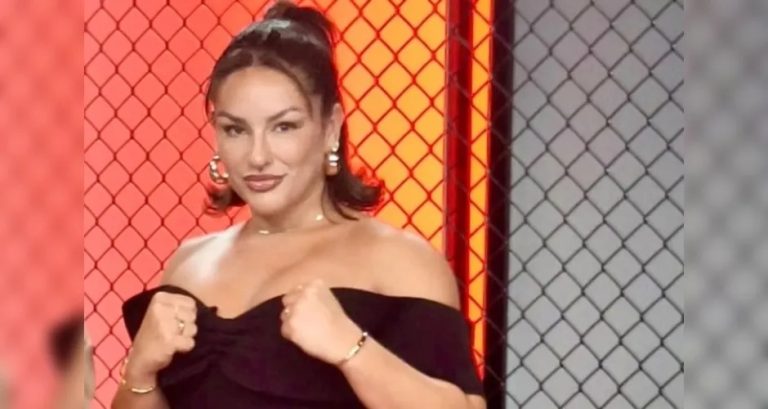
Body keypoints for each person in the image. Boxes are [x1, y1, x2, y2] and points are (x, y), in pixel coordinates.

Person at [111, 2, 486, 408]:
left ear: (331, 127)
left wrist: (351, 349)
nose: (257, 156)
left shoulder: (398, 260)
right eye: (236, 129)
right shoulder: (190, 263)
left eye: (283, 127)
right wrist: (139, 373)